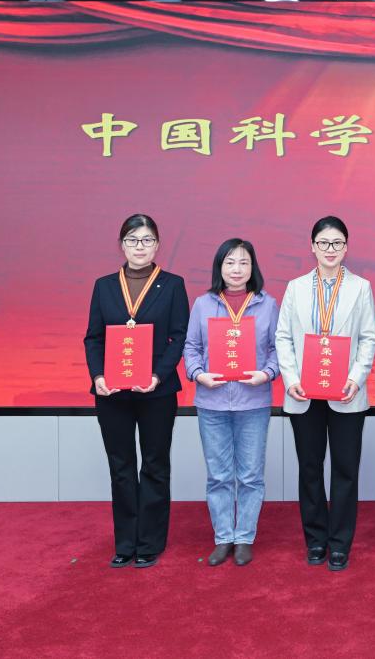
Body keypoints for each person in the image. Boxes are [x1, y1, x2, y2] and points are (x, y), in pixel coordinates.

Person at [83, 213, 189, 569]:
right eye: (132, 240)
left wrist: (158, 375)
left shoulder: (172, 285)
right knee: (121, 466)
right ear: (122, 245)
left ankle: (150, 542)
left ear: (157, 245)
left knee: (155, 465)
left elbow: (179, 337)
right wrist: (98, 375)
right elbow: (93, 337)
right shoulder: (104, 286)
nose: (139, 246)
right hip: (112, 393)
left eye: (146, 240)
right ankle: (125, 542)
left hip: (156, 391)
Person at [275, 216, 375, 572]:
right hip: (304, 392)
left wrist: (356, 379)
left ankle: (340, 543)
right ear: (312, 247)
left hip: (346, 392)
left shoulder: (361, 287)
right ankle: (316, 539)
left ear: (346, 247)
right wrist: (291, 379)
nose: (330, 249)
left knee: (346, 470)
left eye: (337, 243)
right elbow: (283, 337)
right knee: (310, 468)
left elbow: (368, 338)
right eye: (323, 243)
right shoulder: (295, 287)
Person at [183, 239, 279, 567]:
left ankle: (245, 538)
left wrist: (267, 374)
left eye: (243, 262)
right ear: (219, 267)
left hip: (253, 402)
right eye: (230, 262)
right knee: (219, 475)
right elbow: (191, 347)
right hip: (212, 402)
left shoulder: (267, 304)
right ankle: (223, 537)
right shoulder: (203, 304)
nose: (236, 269)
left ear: (253, 267)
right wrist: (198, 374)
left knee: (250, 475)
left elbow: (278, 348)